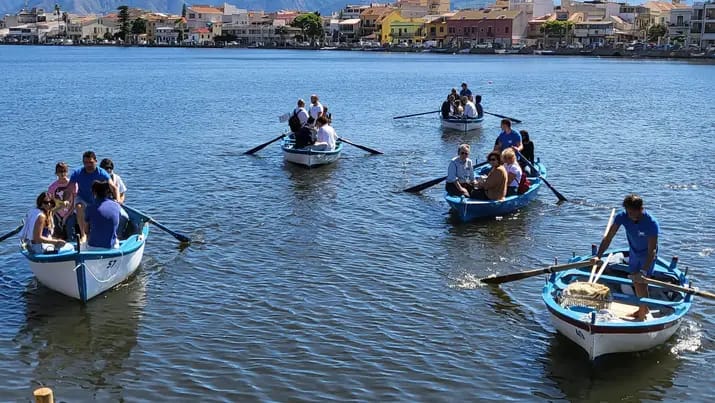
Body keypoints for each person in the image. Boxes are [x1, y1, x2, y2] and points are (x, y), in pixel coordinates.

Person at [596, 194, 659, 321]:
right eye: (628, 212)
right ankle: (643, 308)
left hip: (647, 255)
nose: (629, 216)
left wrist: (643, 271)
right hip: (634, 253)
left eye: (632, 213)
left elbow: (652, 250)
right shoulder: (622, 217)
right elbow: (608, 237)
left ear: (641, 209)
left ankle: (642, 314)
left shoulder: (651, 223)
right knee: (635, 281)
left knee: (641, 282)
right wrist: (598, 256)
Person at [68, 151, 119, 243]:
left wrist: (118, 201)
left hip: (98, 199)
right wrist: (66, 202)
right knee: (79, 206)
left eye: (90, 162)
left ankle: (114, 235)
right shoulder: (77, 173)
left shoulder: (102, 173)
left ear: (95, 161)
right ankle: (83, 235)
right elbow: (69, 189)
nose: (88, 165)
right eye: (85, 163)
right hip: (82, 197)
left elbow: (114, 188)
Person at [85, 180, 121, 250]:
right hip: (111, 247)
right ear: (108, 192)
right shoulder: (117, 206)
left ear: (94, 192)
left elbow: (86, 230)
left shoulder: (89, 207)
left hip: (93, 247)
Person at [47, 162, 76, 239]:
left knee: (70, 228)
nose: (62, 174)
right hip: (57, 213)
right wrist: (58, 216)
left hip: (70, 212)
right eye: (60, 172)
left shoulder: (73, 184)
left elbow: (74, 202)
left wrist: (66, 216)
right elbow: (51, 204)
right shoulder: (52, 187)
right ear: (56, 173)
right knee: (55, 229)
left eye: (64, 171)